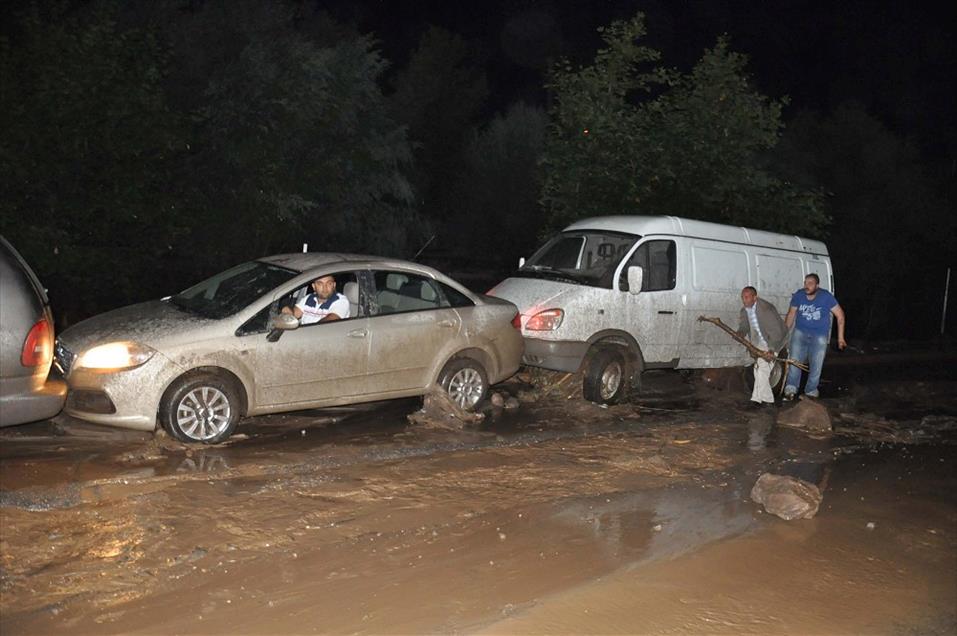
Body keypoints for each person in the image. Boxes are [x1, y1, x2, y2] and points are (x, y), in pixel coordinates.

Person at [783, 273, 846, 400]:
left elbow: (840, 316)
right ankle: (790, 389)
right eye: (805, 283)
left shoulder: (826, 297)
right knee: (794, 361)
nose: (807, 286)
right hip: (800, 333)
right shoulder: (799, 295)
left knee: (816, 364)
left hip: (819, 336)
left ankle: (811, 391)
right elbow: (791, 315)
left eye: (810, 283)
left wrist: (840, 338)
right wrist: (783, 333)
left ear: (817, 285)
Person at [737, 286, 787, 407]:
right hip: (760, 341)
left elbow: (776, 332)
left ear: (755, 297)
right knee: (758, 370)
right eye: (743, 297)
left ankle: (763, 400)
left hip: (773, 340)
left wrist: (772, 349)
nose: (744, 300)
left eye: (747, 297)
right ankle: (762, 399)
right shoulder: (745, 310)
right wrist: (740, 333)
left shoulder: (766, 310)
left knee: (762, 370)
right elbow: (744, 326)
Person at [282, 275, 350, 324]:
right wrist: (288, 311)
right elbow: (295, 314)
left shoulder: (341, 301)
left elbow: (330, 321)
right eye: (320, 284)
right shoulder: (308, 298)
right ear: (314, 286)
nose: (325, 288)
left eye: (329, 283)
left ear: (334, 285)